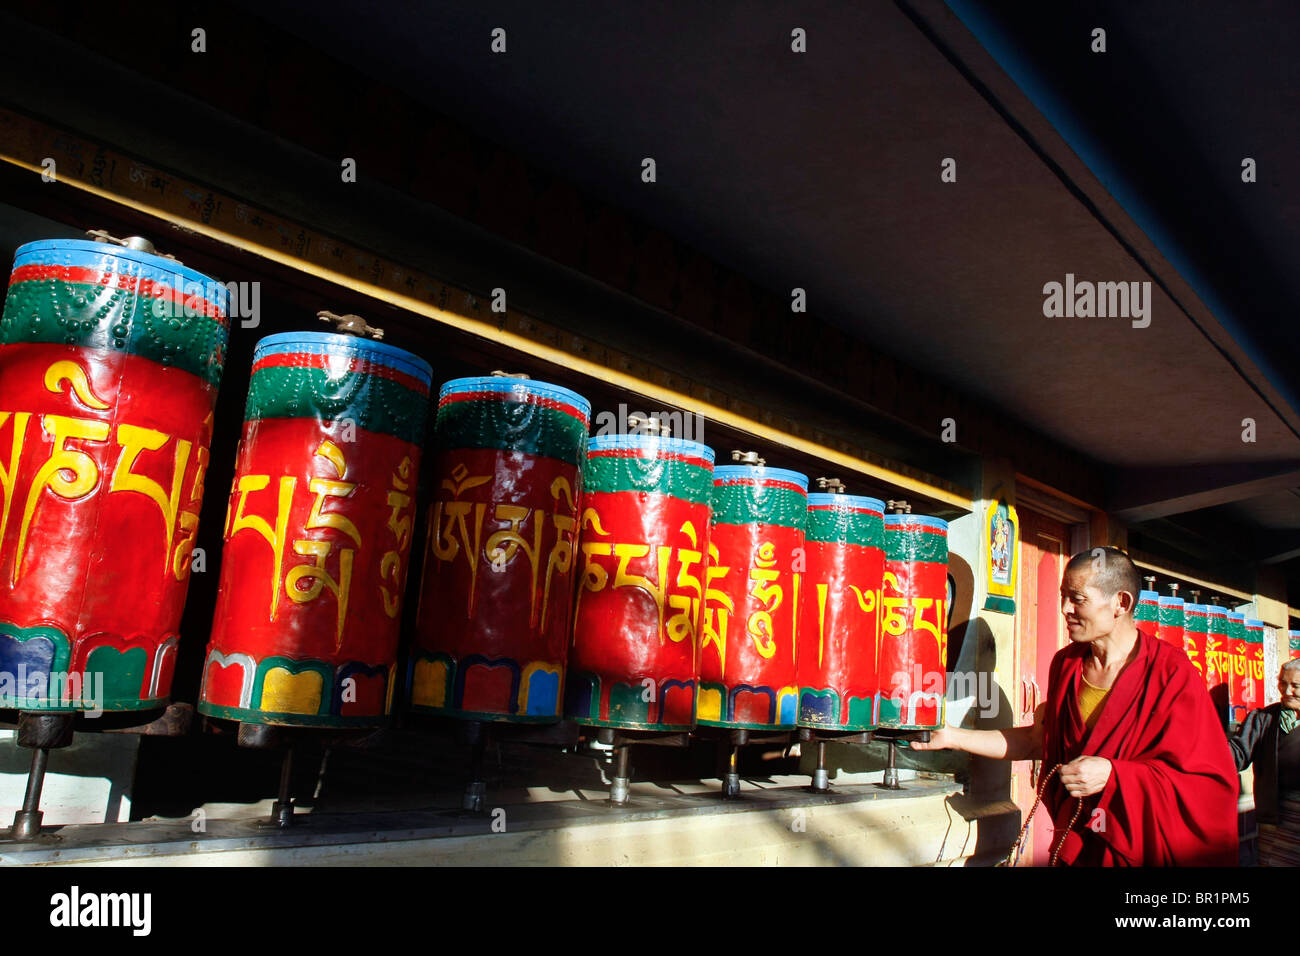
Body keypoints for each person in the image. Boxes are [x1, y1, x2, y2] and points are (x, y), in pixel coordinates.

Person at [913, 546, 1239, 865]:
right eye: (1063, 596)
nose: (1065, 608)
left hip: (1135, 845)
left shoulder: (1170, 672)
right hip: (1080, 842)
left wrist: (1115, 775)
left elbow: (1207, 785)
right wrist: (952, 736)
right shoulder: (1066, 665)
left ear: (1120, 603)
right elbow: (1036, 742)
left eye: (1077, 599)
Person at [1229, 660, 1300, 865]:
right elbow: (1236, 754)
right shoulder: (1264, 719)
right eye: (1282, 683)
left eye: (1296, 686)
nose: (1287, 691)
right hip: (1275, 813)